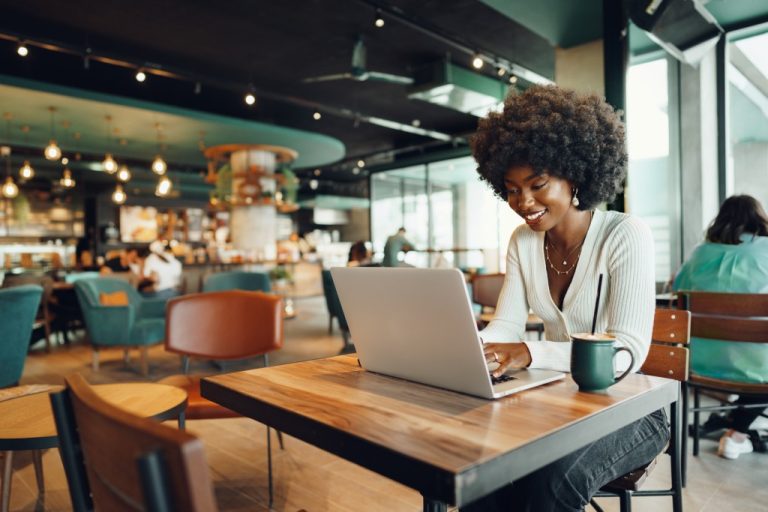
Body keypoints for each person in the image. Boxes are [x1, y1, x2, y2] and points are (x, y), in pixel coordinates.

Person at [463, 85, 667, 511]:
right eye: (512, 189)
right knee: (481, 472)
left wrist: (527, 354)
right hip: (560, 401)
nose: (524, 202)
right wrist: (469, 348)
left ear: (576, 174)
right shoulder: (522, 241)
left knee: (549, 483)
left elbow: (627, 352)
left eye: (537, 185)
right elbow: (506, 324)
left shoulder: (624, 235)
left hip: (631, 408)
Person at [673, 194, 768, 460]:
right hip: (757, 367)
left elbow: (676, 290)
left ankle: (733, 422)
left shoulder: (700, 252)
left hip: (700, 363)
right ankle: (737, 432)